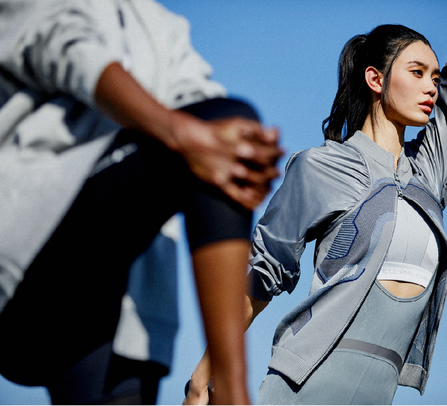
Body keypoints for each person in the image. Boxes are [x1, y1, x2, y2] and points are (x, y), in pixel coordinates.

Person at [185, 0, 447, 404]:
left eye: (435, 77)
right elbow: (261, 276)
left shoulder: (429, 174)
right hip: (301, 385)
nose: (431, 87)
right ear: (375, 78)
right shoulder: (321, 167)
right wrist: (203, 375)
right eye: (417, 72)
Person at [0, 0, 282, 404]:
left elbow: (201, 102)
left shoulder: (162, 23)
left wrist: (248, 148)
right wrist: (179, 131)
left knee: (228, 134)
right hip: (35, 256)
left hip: (132, 308)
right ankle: (232, 393)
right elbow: (66, 47)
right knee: (223, 124)